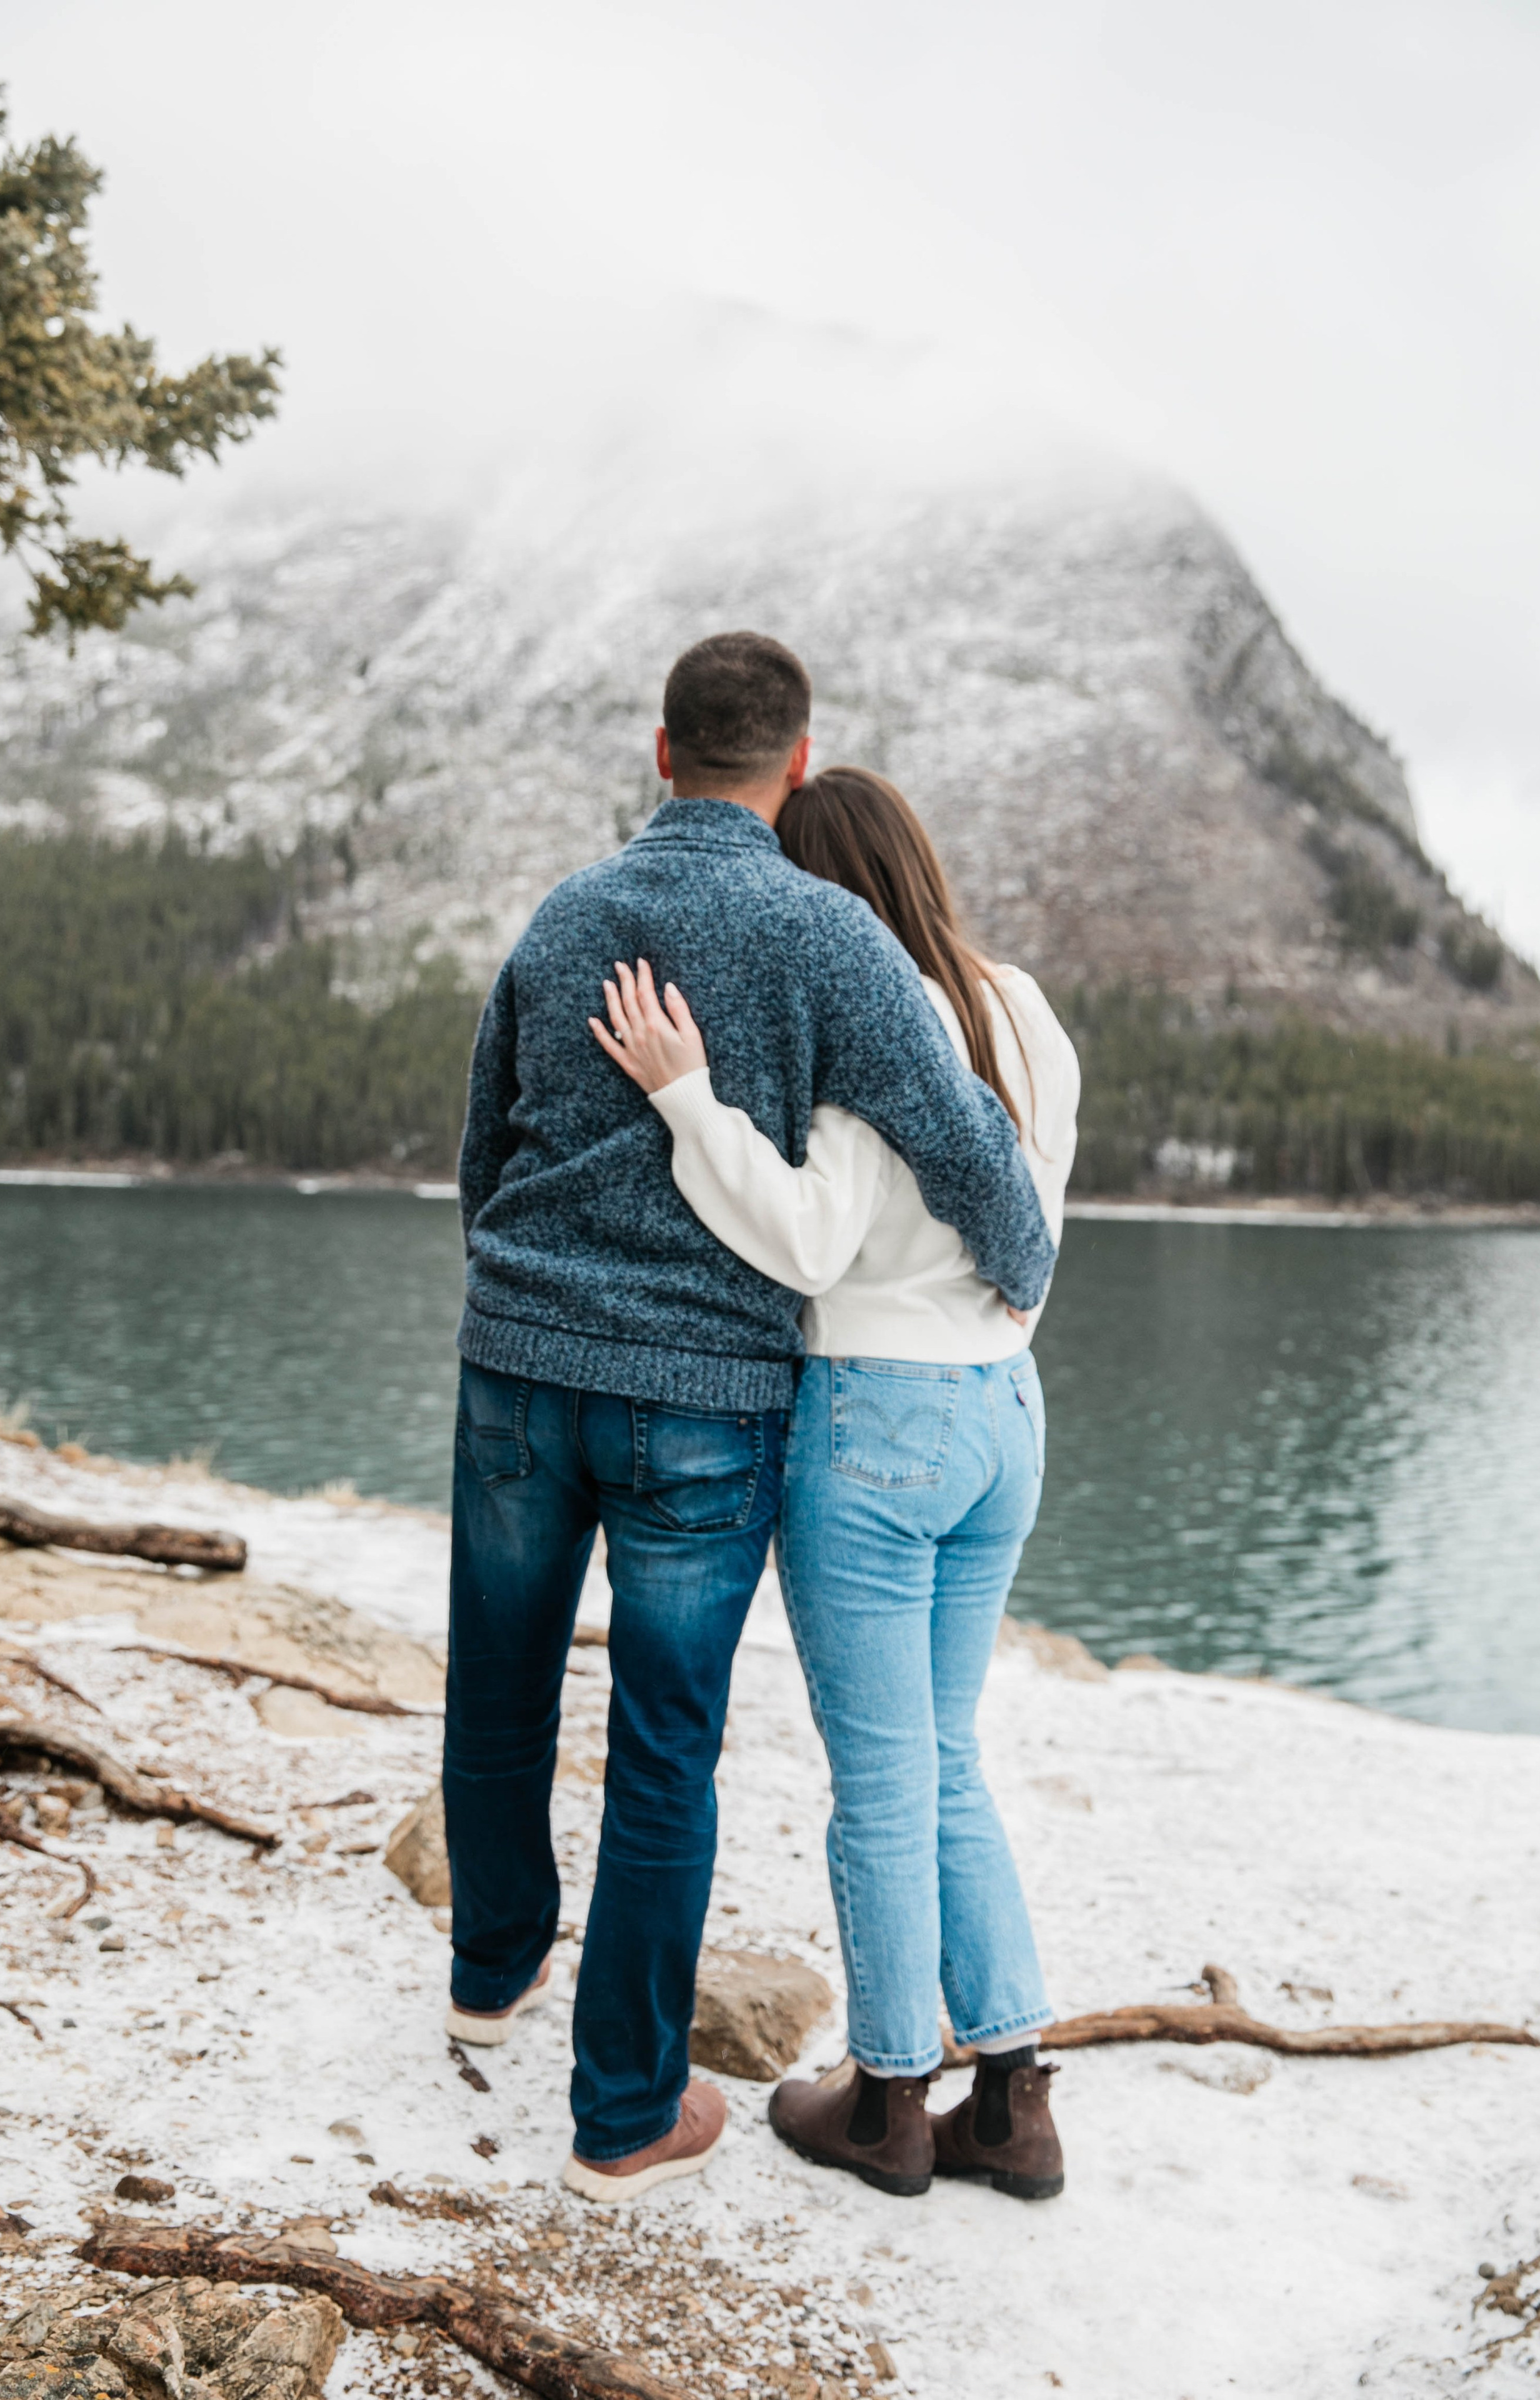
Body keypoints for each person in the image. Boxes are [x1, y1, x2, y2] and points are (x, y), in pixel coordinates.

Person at [448, 636, 1057, 2203]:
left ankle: (490, 1965)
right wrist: (1026, 1268)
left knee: (501, 1682)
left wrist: (519, 1289)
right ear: (795, 766)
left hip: (520, 1359)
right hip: (708, 1403)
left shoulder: (566, 913)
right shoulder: (834, 939)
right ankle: (622, 2114)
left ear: (661, 754)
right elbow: (958, 1134)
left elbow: (483, 1137)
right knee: (665, 1747)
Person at [590, 764, 1079, 2202]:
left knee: (878, 1779)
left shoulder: (878, 1017)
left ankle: (883, 2101)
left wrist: (688, 1102)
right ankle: (1010, 2098)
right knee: (943, 1758)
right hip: (1005, 1407)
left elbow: (810, 1240)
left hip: (876, 1414)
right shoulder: (1022, 1006)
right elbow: (1022, 1216)